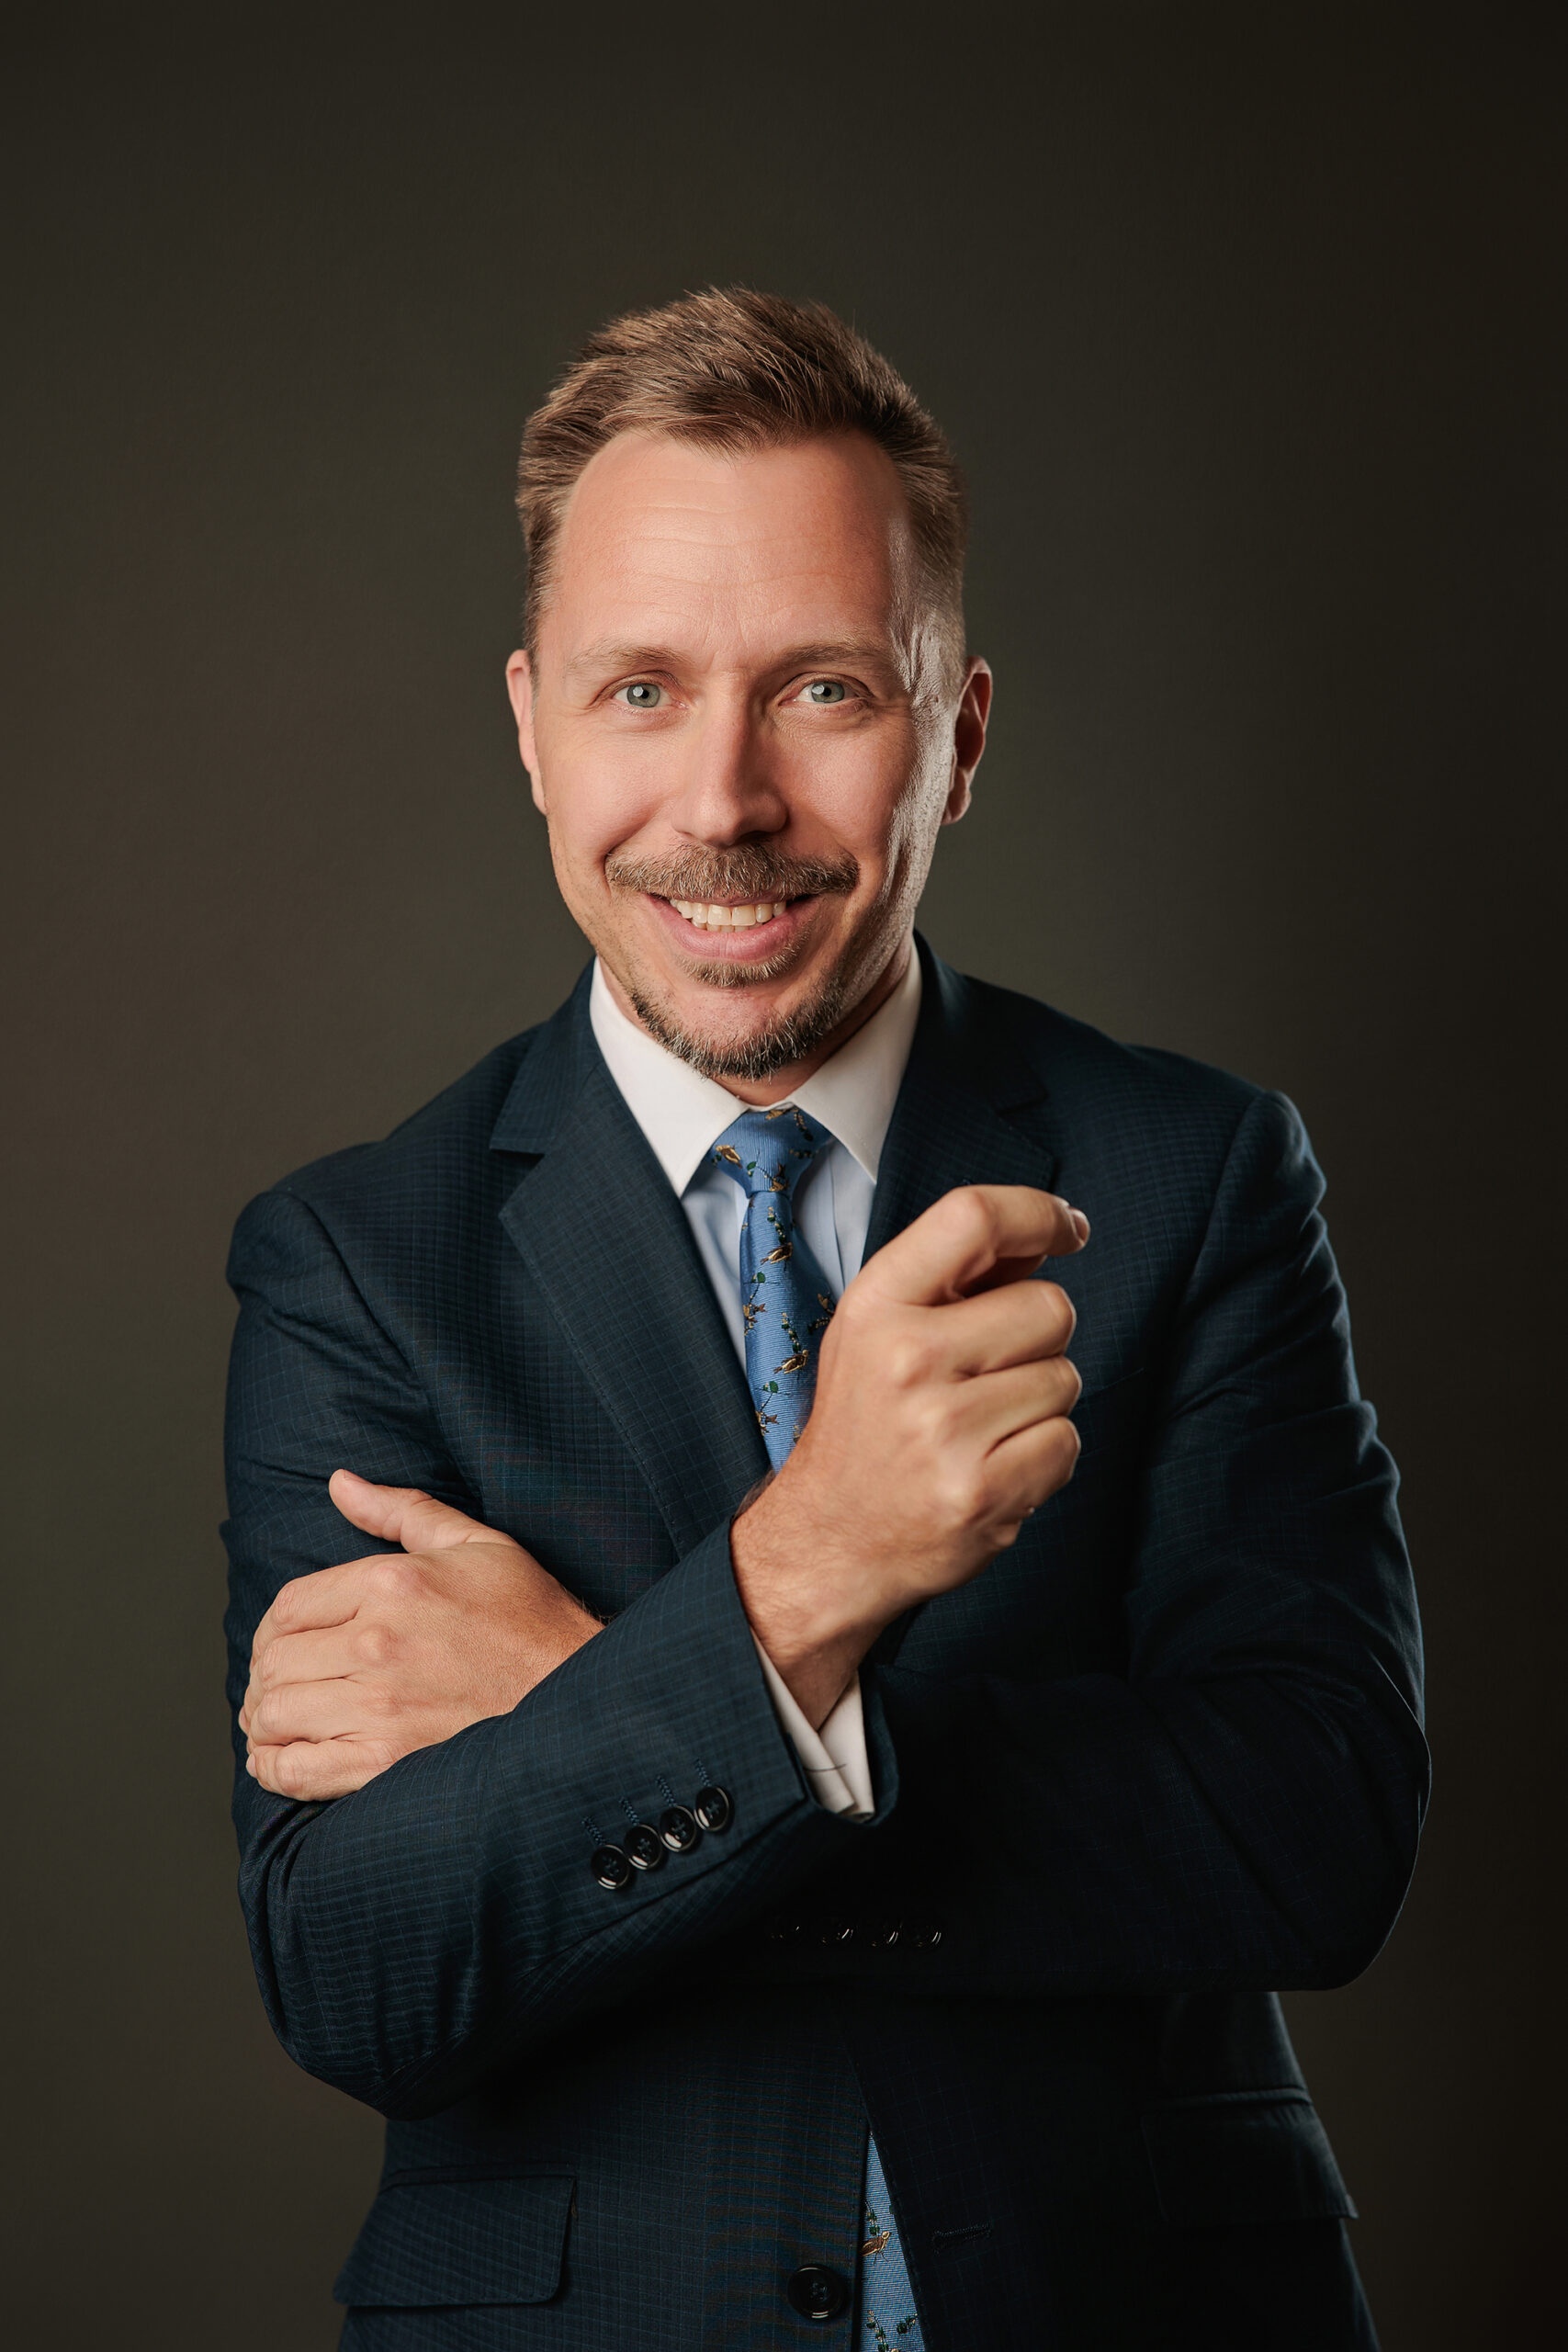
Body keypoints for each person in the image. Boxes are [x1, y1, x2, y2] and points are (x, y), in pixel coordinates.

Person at [224, 288, 1427, 2351]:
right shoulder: (354, 1259)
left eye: (822, 690)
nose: (724, 797)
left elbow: (1309, 1829)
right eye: (636, 690)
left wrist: (616, 1696)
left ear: (955, 729)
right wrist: (801, 1582)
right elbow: (362, 1966)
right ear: (528, 724)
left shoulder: (1189, 1173)